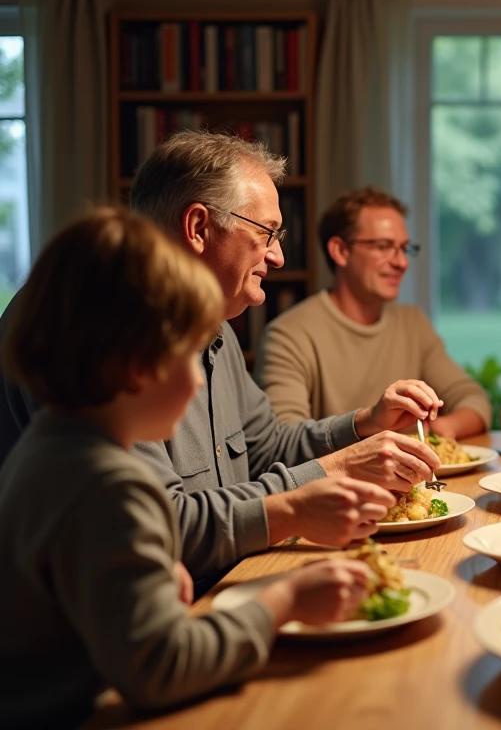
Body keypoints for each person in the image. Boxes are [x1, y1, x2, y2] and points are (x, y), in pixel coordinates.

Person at [0, 131, 442, 588]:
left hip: (221, 587)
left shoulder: (213, 325)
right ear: (198, 227)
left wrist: (365, 425)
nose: (278, 254)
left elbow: (263, 448)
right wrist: (334, 472)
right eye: (266, 232)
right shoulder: (94, 331)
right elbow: (161, 527)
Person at [0, 209, 379, 728]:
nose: (202, 382)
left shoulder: (50, 449)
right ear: (138, 366)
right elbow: (159, 668)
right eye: (189, 355)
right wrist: (285, 600)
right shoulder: (110, 485)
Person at [256, 187, 490, 437]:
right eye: (383, 246)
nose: (401, 262)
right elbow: (285, 440)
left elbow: (474, 399)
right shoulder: (288, 335)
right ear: (340, 251)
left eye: (404, 248)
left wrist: (439, 432)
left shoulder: (413, 324)